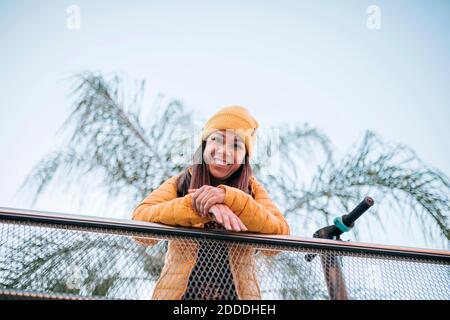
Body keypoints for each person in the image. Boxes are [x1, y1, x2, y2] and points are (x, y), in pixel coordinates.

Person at [132, 106, 290, 300]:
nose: (224, 151)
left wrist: (229, 198)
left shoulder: (252, 190)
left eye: (236, 145)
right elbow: (140, 228)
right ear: (204, 146)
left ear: (245, 157)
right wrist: (199, 205)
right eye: (217, 140)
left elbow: (279, 236)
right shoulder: (181, 182)